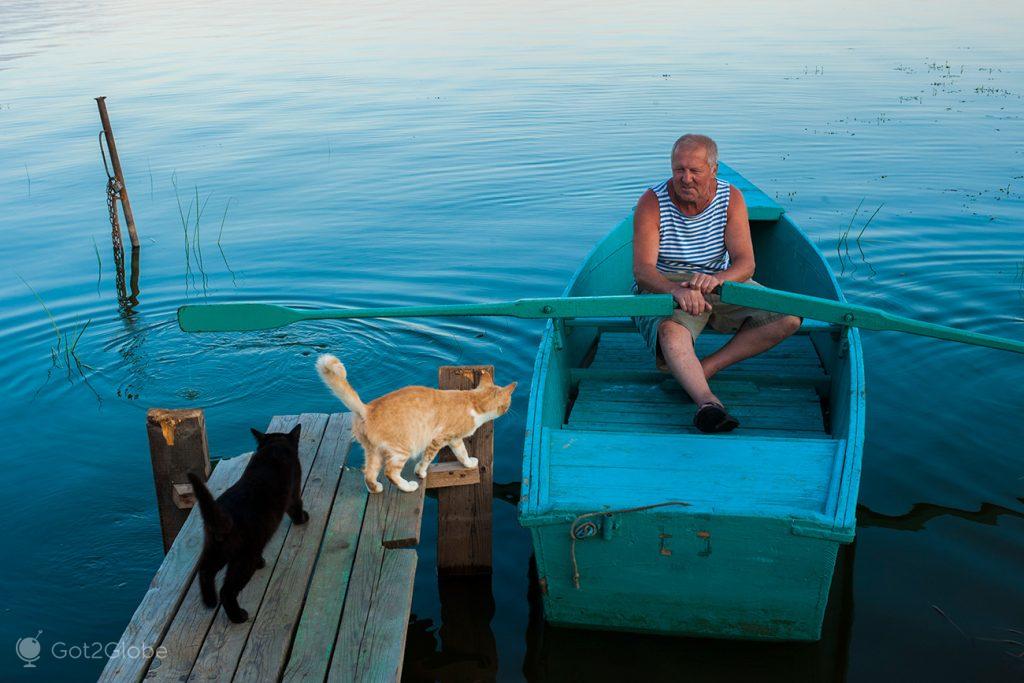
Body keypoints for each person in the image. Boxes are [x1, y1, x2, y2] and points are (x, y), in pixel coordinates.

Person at [632, 134, 802, 433]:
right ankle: (708, 402)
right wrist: (675, 291)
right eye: (678, 169)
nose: (685, 179)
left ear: (714, 169)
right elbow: (643, 271)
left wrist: (716, 280)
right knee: (672, 332)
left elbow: (745, 264)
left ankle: (705, 368)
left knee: (787, 317)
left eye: (695, 170)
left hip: (719, 281)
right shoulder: (652, 201)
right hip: (668, 283)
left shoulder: (731, 197)